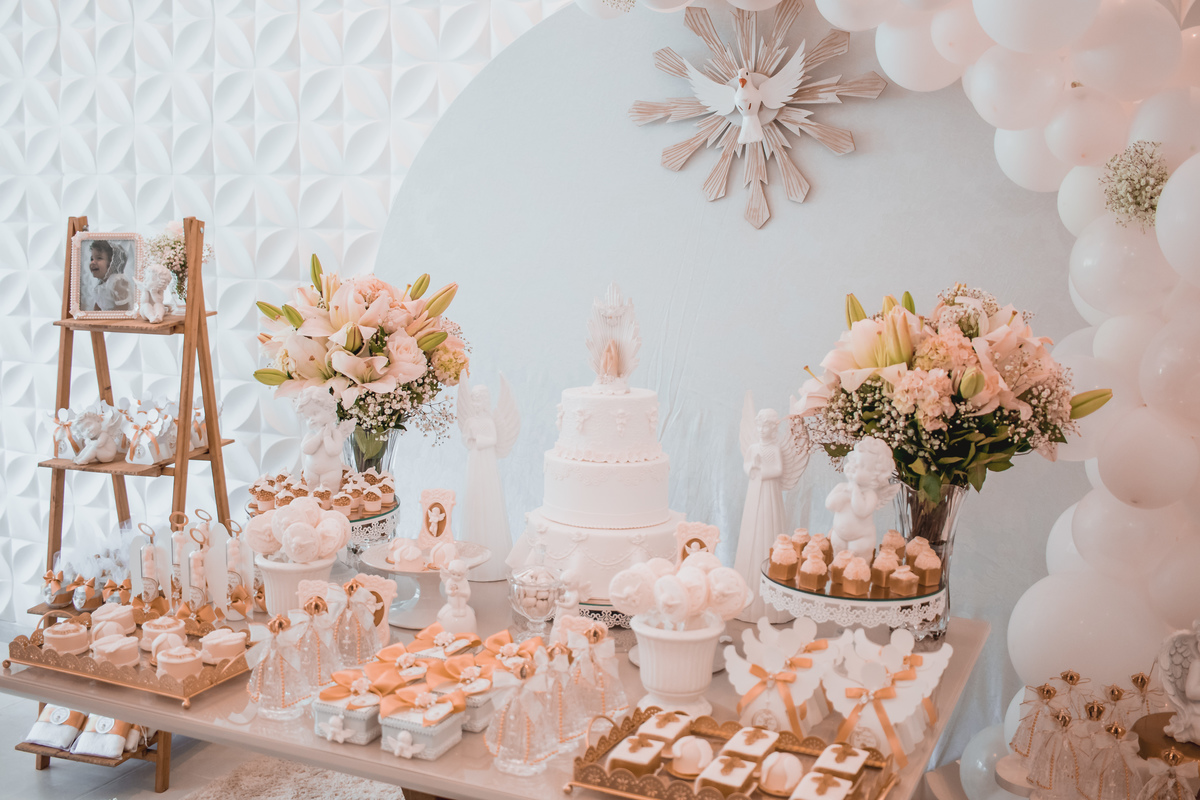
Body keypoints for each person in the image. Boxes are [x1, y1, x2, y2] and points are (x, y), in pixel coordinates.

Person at [86, 240, 135, 311]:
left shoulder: (118, 281)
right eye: (92, 259)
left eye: (99, 258)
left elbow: (122, 310)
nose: (93, 262)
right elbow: (98, 307)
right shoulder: (100, 285)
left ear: (112, 263)